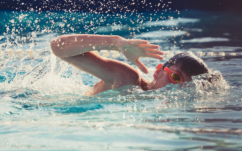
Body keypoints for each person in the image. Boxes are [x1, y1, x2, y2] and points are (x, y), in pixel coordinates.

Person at [51, 34, 209, 95]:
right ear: (158, 71)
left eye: (186, 87)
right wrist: (115, 43)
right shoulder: (128, 79)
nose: (177, 90)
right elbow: (57, 47)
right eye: (176, 77)